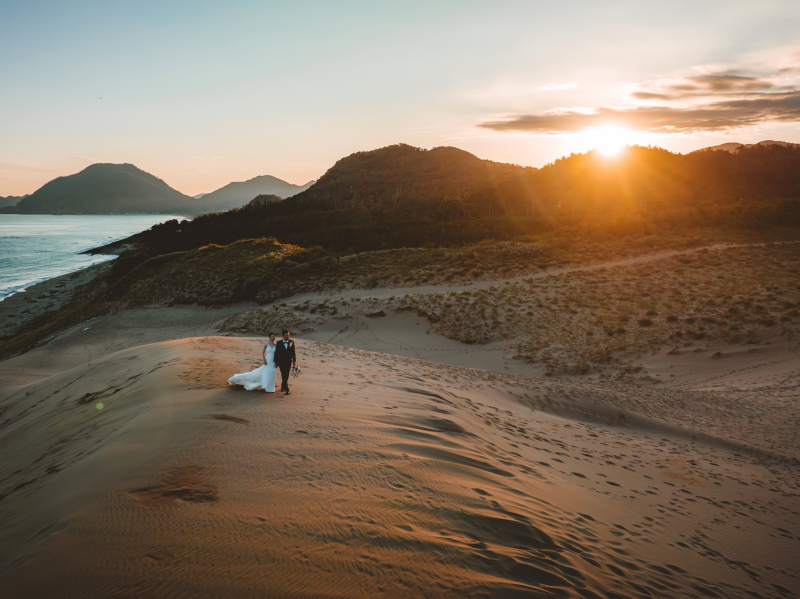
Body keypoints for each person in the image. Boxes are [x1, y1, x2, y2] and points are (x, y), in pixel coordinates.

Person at [274, 329, 297, 395]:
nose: (288, 336)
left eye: (288, 335)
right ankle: (287, 389)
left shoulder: (291, 342)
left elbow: (293, 352)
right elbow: (277, 353)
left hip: (288, 361)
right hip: (281, 362)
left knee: (286, 375)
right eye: (286, 335)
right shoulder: (279, 343)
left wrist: (294, 360)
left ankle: (283, 386)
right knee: (283, 374)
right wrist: (276, 362)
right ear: (283, 336)